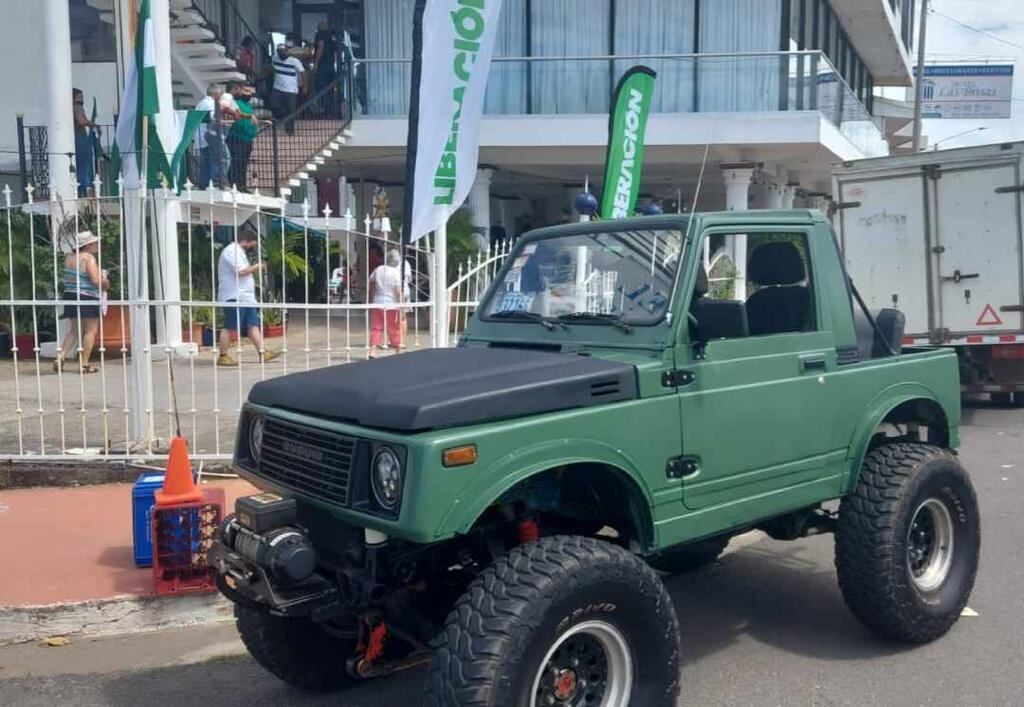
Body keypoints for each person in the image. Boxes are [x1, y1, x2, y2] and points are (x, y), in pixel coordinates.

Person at [216, 227, 278, 366]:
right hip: (234, 295)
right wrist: (257, 266)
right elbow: (241, 271)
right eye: (252, 245)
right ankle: (223, 355)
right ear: (247, 242)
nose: (251, 248)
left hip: (246, 297)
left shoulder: (239, 252)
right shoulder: (231, 251)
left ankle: (263, 352)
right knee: (230, 326)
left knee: (252, 325)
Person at [54, 231, 110, 374]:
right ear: (88, 245)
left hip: (71, 294)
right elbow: (95, 280)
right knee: (90, 330)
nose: (96, 245)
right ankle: (84, 364)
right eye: (94, 243)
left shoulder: (69, 258)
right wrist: (105, 281)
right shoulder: (88, 258)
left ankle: (61, 356)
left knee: (74, 329)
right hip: (87, 296)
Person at [368, 249, 404, 357]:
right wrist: (402, 305)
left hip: (377, 302)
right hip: (391, 304)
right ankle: (398, 350)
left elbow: (371, 283)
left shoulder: (378, 269)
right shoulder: (395, 273)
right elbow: (398, 291)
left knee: (376, 327)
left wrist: (371, 298)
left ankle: (372, 351)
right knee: (393, 327)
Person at [227, 83, 261, 191]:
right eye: (246, 91)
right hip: (237, 137)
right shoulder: (236, 103)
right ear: (240, 91)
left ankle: (242, 185)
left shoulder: (249, 106)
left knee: (243, 164)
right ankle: (234, 184)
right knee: (237, 162)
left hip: (247, 139)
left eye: (250, 92)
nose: (249, 94)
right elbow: (238, 117)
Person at [195, 84, 230, 188]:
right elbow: (214, 120)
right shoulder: (210, 104)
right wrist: (226, 123)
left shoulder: (202, 103)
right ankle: (215, 182)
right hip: (209, 136)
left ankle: (204, 183)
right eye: (220, 94)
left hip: (201, 137)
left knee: (206, 162)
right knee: (219, 159)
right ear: (215, 94)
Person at [270, 43, 305, 135]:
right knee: (273, 105)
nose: (281, 53)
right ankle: (285, 117)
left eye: (283, 51)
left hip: (291, 90)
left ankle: (290, 130)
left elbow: (303, 73)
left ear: (287, 51)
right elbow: (273, 68)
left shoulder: (294, 61)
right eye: (279, 51)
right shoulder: (274, 58)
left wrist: (304, 86)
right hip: (277, 88)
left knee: (291, 110)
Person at [72, 89, 101, 197]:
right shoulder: (78, 108)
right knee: (85, 168)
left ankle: (82, 192)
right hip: (80, 138)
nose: (82, 100)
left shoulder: (70, 108)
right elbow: (81, 121)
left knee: (79, 169)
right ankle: (89, 195)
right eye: (79, 97)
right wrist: (94, 125)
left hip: (76, 138)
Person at [313, 21, 339, 114]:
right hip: (331, 66)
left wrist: (316, 63)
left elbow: (320, 47)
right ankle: (330, 110)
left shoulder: (321, 35)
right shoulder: (331, 38)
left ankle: (322, 109)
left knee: (320, 88)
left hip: (322, 66)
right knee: (330, 89)